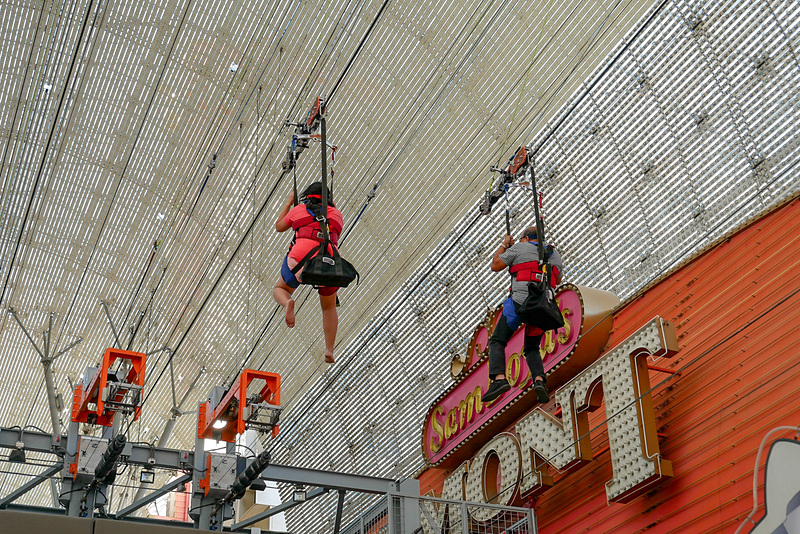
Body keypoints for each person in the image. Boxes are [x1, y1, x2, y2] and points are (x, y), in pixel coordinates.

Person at [482, 226, 563, 404]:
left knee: (497, 340)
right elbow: (558, 279)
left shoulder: (519, 247)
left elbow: (495, 265)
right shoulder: (554, 254)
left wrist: (505, 245)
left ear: (525, 238)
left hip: (520, 301)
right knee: (532, 348)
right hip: (543, 307)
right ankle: (539, 380)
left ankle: (499, 379)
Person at [273, 182, 344, 363]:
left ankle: (288, 301)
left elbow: (279, 226)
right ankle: (329, 349)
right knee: (328, 307)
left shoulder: (299, 209)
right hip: (327, 262)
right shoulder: (337, 215)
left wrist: (289, 203)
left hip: (300, 257)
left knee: (280, 288)